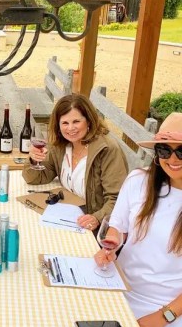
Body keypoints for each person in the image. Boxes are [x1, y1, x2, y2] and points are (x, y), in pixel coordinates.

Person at [94, 112, 182, 327]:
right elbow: (117, 227)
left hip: (170, 306)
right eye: (165, 150)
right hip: (119, 287)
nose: (172, 159)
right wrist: (109, 245)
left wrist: (165, 316)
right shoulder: (138, 181)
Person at [23, 94, 128, 230]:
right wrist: (33, 160)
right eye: (65, 123)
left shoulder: (107, 149)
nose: (70, 128)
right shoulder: (60, 145)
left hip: (96, 226)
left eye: (76, 122)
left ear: (89, 121)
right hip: (67, 215)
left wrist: (97, 217)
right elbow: (36, 178)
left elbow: (118, 198)